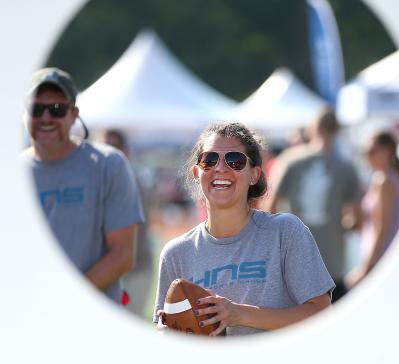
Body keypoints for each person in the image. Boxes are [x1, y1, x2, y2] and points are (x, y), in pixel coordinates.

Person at [153, 122, 334, 336]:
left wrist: (240, 314)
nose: (220, 168)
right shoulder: (176, 254)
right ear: (196, 172)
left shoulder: (285, 232)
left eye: (235, 161)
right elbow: (165, 334)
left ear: (254, 175)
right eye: (209, 160)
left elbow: (322, 313)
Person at [20, 67, 145, 304]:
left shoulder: (108, 164)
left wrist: (67, 299)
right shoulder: (12, 174)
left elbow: (123, 255)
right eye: (37, 109)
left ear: (74, 114)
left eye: (56, 109)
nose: (46, 118)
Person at [266, 108, 362, 303]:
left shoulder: (290, 160)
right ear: (337, 130)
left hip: (293, 262)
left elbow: (270, 207)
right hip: (331, 263)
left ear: (311, 130)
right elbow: (356, 219)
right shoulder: (346, 167)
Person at [345, 131, 399, 288]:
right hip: (386, 256)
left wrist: (365, 268)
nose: (367, 156)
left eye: (371, 151)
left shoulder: (384, 180)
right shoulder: (391, 177)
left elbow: (383, 228)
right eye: (364, 152)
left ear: (388, 151)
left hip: (382, 258)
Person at [101, 129, 154, 317]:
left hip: (136, 266)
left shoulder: (134, 181)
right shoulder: (96, 181)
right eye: (105, 147)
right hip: (105, 269)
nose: (109, 153)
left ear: (125, 150)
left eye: (114, 147)